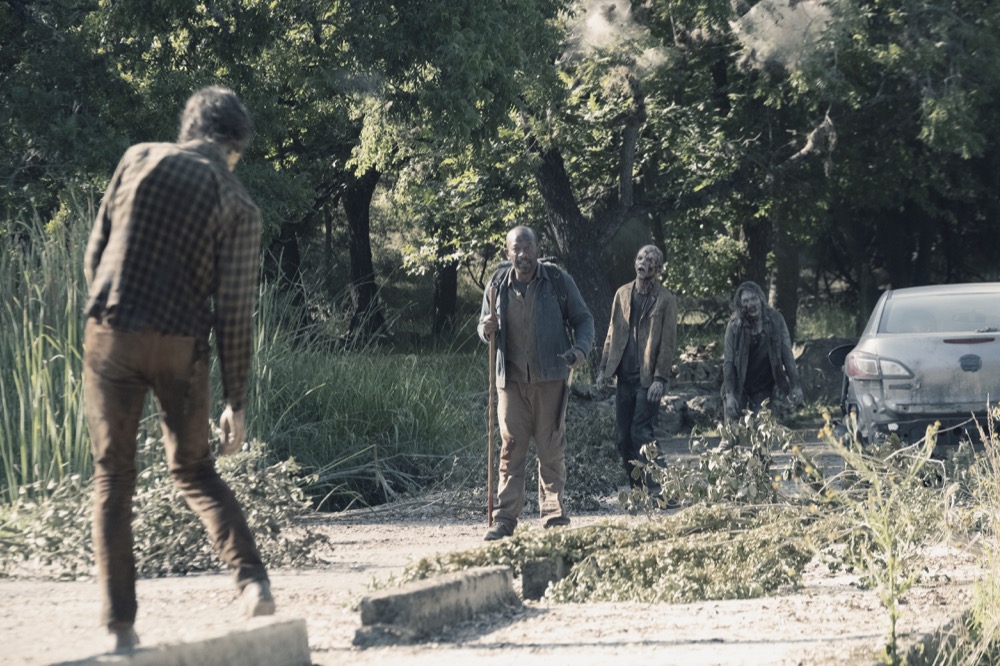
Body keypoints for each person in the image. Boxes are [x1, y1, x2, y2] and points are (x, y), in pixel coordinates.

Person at [83, 86, 274, 653]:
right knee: (194, 471)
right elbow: (234, 312)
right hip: (179, 345)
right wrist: (236, 398)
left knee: (113, 477)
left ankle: (120, 626)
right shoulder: (238, 204)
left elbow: (97, 252)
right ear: (233, 145)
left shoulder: (137, 157)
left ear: (188, 129)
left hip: (110, 332)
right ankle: (253, 585)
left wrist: (104, 317)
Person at [478, 226, 595, 541]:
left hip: (551, 379)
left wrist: (580, 349)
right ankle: (503, 520)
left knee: (550, 448)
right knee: (510, 449)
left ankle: (554, 516)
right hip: (511, 381)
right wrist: (486, 328)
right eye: (517, 248)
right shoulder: (496, 284)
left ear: (538, 249)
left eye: (528, 247)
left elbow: (584, 320)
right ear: (508, 252)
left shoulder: (557, 281)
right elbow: (483, 324)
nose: (523, 254)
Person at [596, 245, 677, 489]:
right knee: (623, 439)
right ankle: (638, 488)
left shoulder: (666, 300)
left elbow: (668, 343)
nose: (644, 262)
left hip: (648, 379)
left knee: (641, 432)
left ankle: (662, 489)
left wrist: (660, 379)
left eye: (651, 260)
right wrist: (603, 369)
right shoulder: (622, 293)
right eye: (640, 257)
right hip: (624, 377)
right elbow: (612, 332)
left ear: (658, 268)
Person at [721, 281, 804, 425]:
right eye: (745, 301)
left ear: (761, 299)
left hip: (763, 387)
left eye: (754, 299)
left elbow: (787, 354)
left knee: (762, 433)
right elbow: (728, 361)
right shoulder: (734, 325)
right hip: (738, 384)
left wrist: (795, 386)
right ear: (741, 305)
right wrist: (729, 395)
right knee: (731, 436)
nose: (750, 304)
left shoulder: (776, 319)